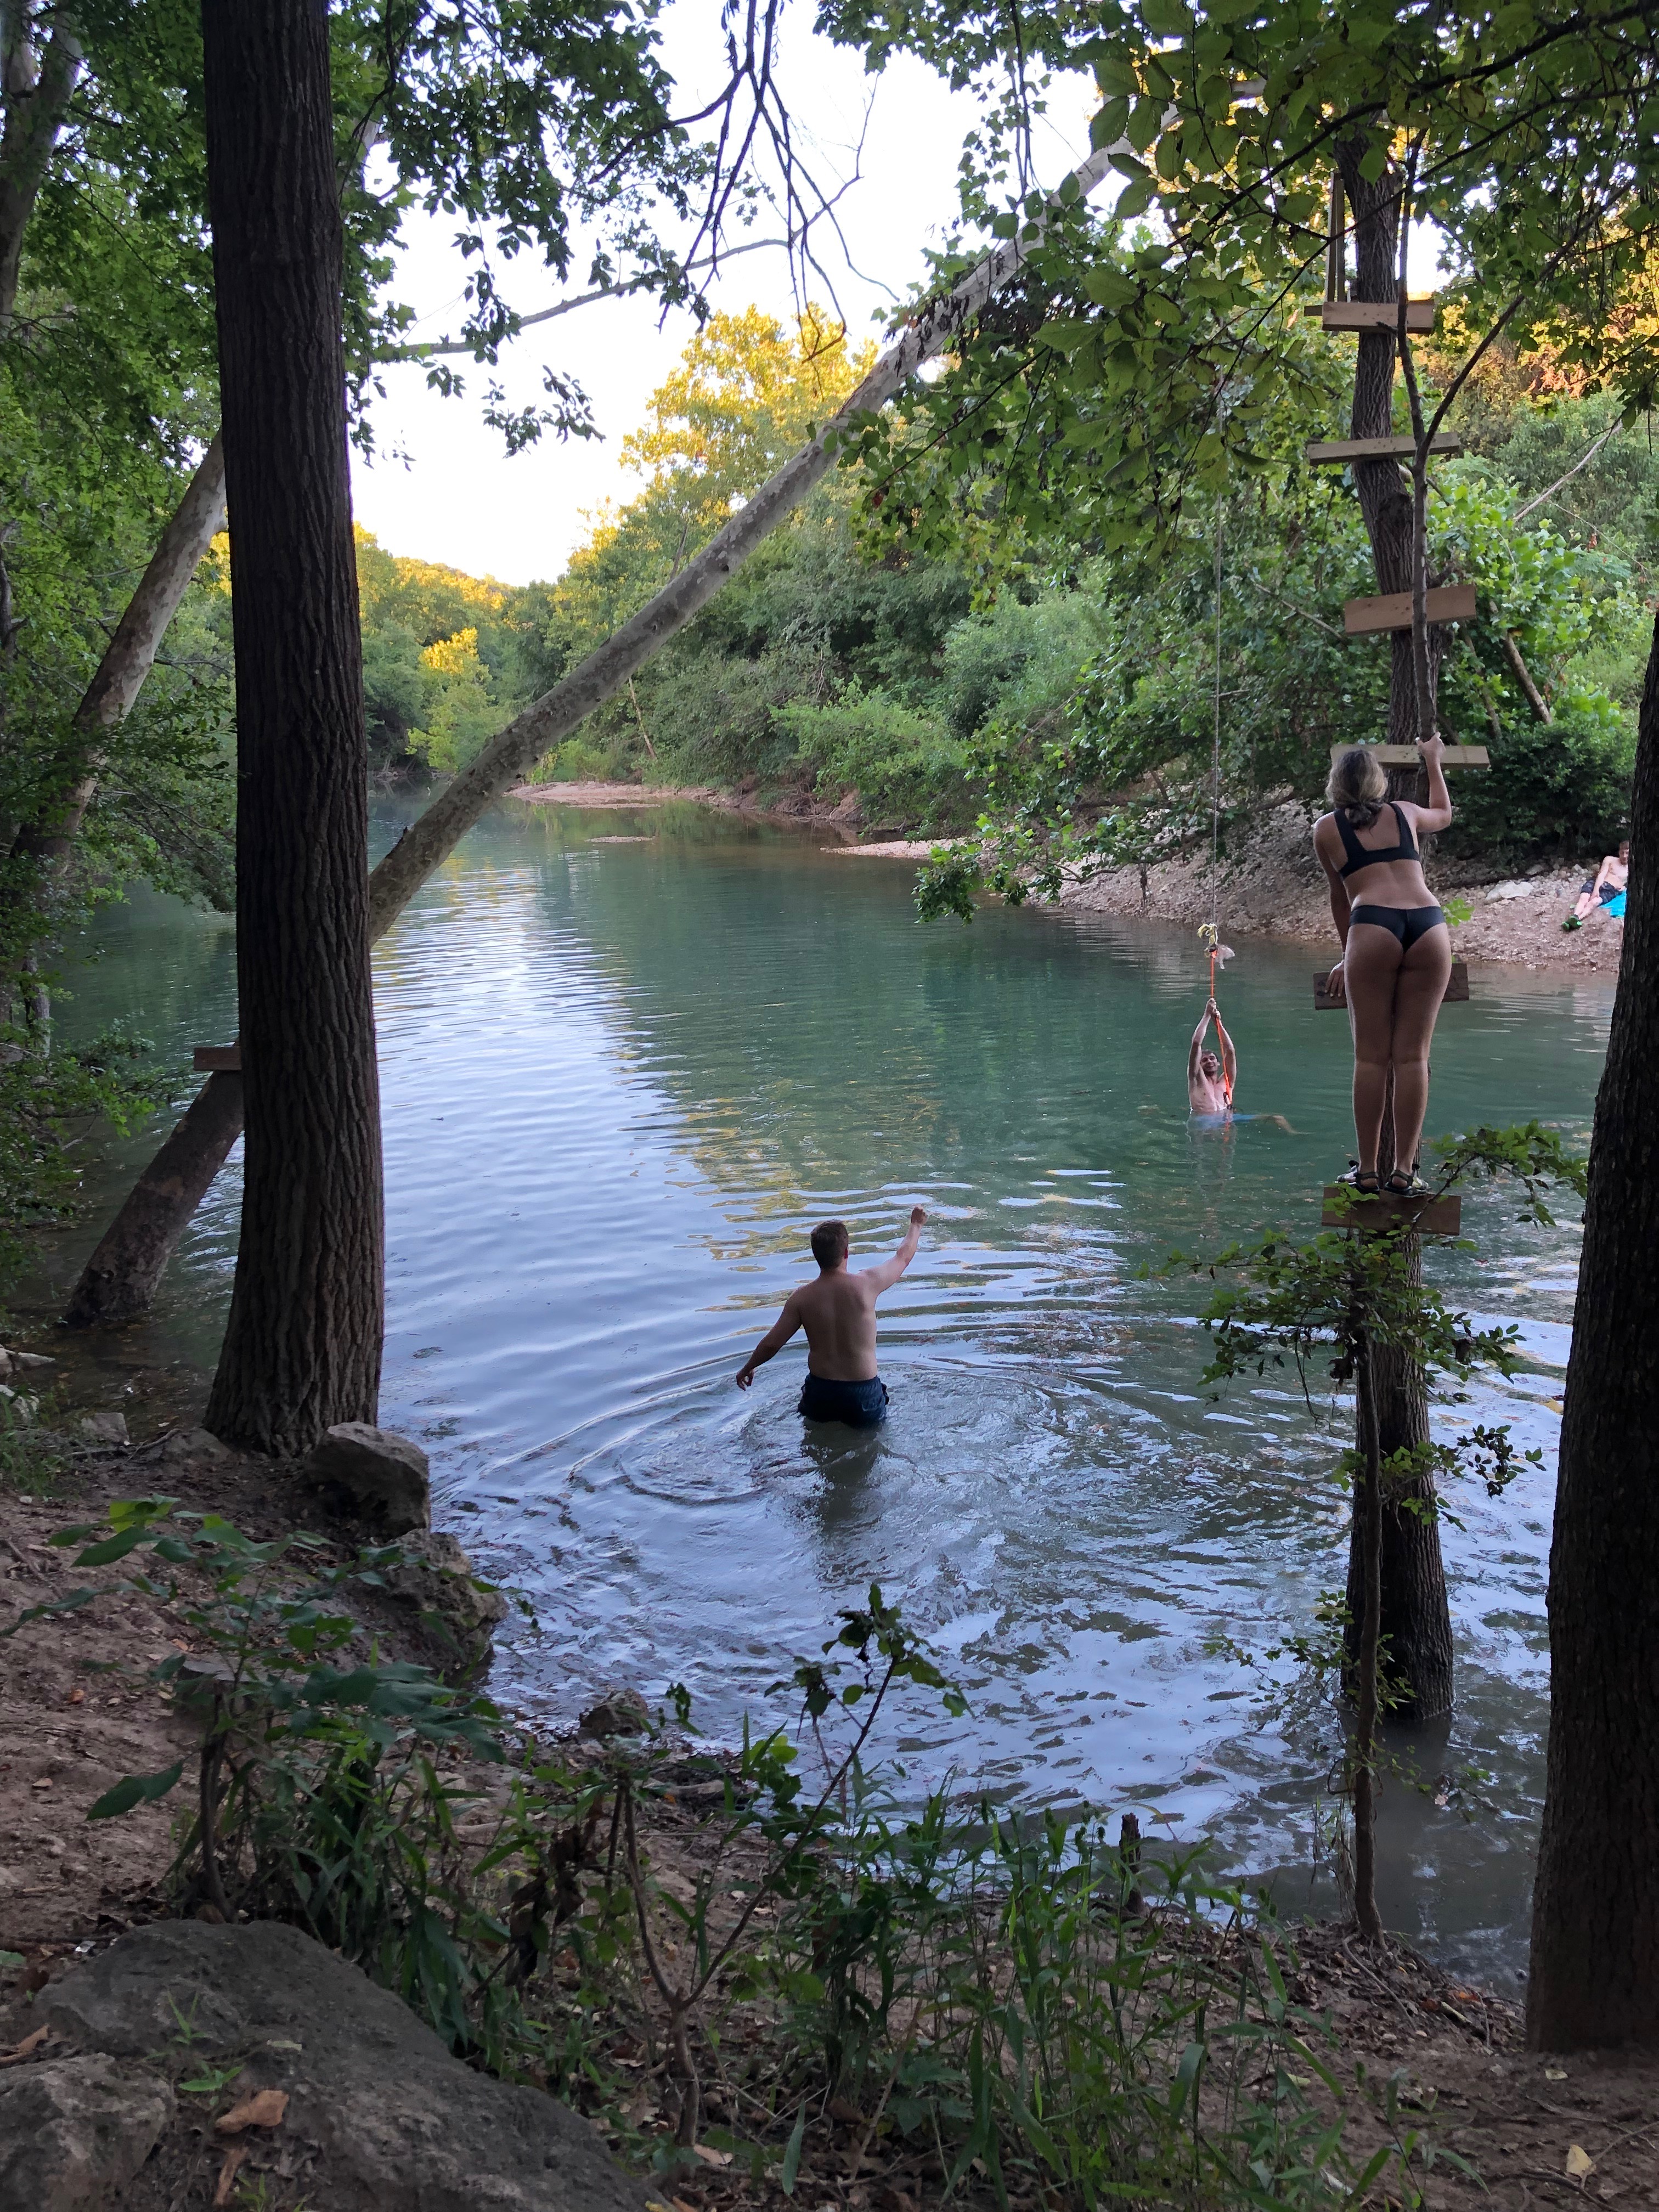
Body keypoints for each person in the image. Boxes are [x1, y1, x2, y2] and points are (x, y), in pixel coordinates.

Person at [1313, 738, 1454, 1197]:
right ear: (1380, 783)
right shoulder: (1404, 812)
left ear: (1336, 788)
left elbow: (1341, 901)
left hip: (1372, 924)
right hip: (1430, 926)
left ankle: (1369, 1171)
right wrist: (1433, 760)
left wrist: (1346, 953)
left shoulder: (1326, 830)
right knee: (1414, 1057)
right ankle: (1405, 1171)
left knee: (1371, 1058)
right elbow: (1444, 814)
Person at [735, 1209, 926, 1426]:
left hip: (821, 1393)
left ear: (815, 1255)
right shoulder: (866, 1285)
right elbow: (903, 1257)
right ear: (846, 1252)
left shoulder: (801, 1298)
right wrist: (916, 1225)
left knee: (815, 1452)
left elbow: (772, 1344)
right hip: (862, 1393)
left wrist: (748, 1367)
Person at [1188, 997, 1236, 1115]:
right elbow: (1196, 1043)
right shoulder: (1196, 1080)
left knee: (1276, 1119)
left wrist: (1218, 1024)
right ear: (1199, 1064)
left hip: (1226, 1120)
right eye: (1204, 1060)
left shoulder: (1227, 1082)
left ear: (1219, 1063)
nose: (1209, 1062)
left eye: (1212, 1058)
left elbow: (1230, 1051)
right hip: (1203, 1122)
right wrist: (1207, 1015)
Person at [1564, 841, 1628, 928]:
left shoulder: (1632, 868)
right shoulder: (1610, 859)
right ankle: (1575, 916)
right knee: (1584, 898)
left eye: (1627, 853)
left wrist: (1624, 887)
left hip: (1611, 890)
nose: (1624, 856)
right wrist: (1596, 889)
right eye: (1622, 853)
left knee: (1595, 902)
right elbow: (1602, 874)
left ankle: (1577, 919)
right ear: (1619, 852)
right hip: (1596, 882)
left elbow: (1629, 884)